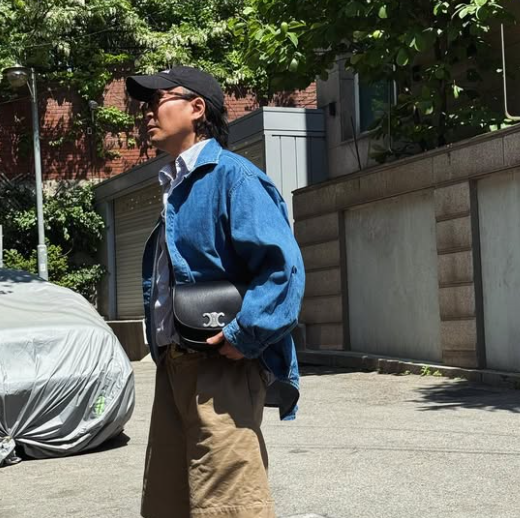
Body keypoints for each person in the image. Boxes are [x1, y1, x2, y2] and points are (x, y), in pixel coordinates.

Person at [126, 66, 305, 518]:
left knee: (229, 505)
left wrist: (246, 334)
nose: (147, 112)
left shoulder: (233, 178)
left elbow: (283, 269)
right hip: (175, 365)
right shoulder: (177, 184)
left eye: (158, 101)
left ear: (196, 107)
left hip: (222, 366)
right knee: (169, 502)